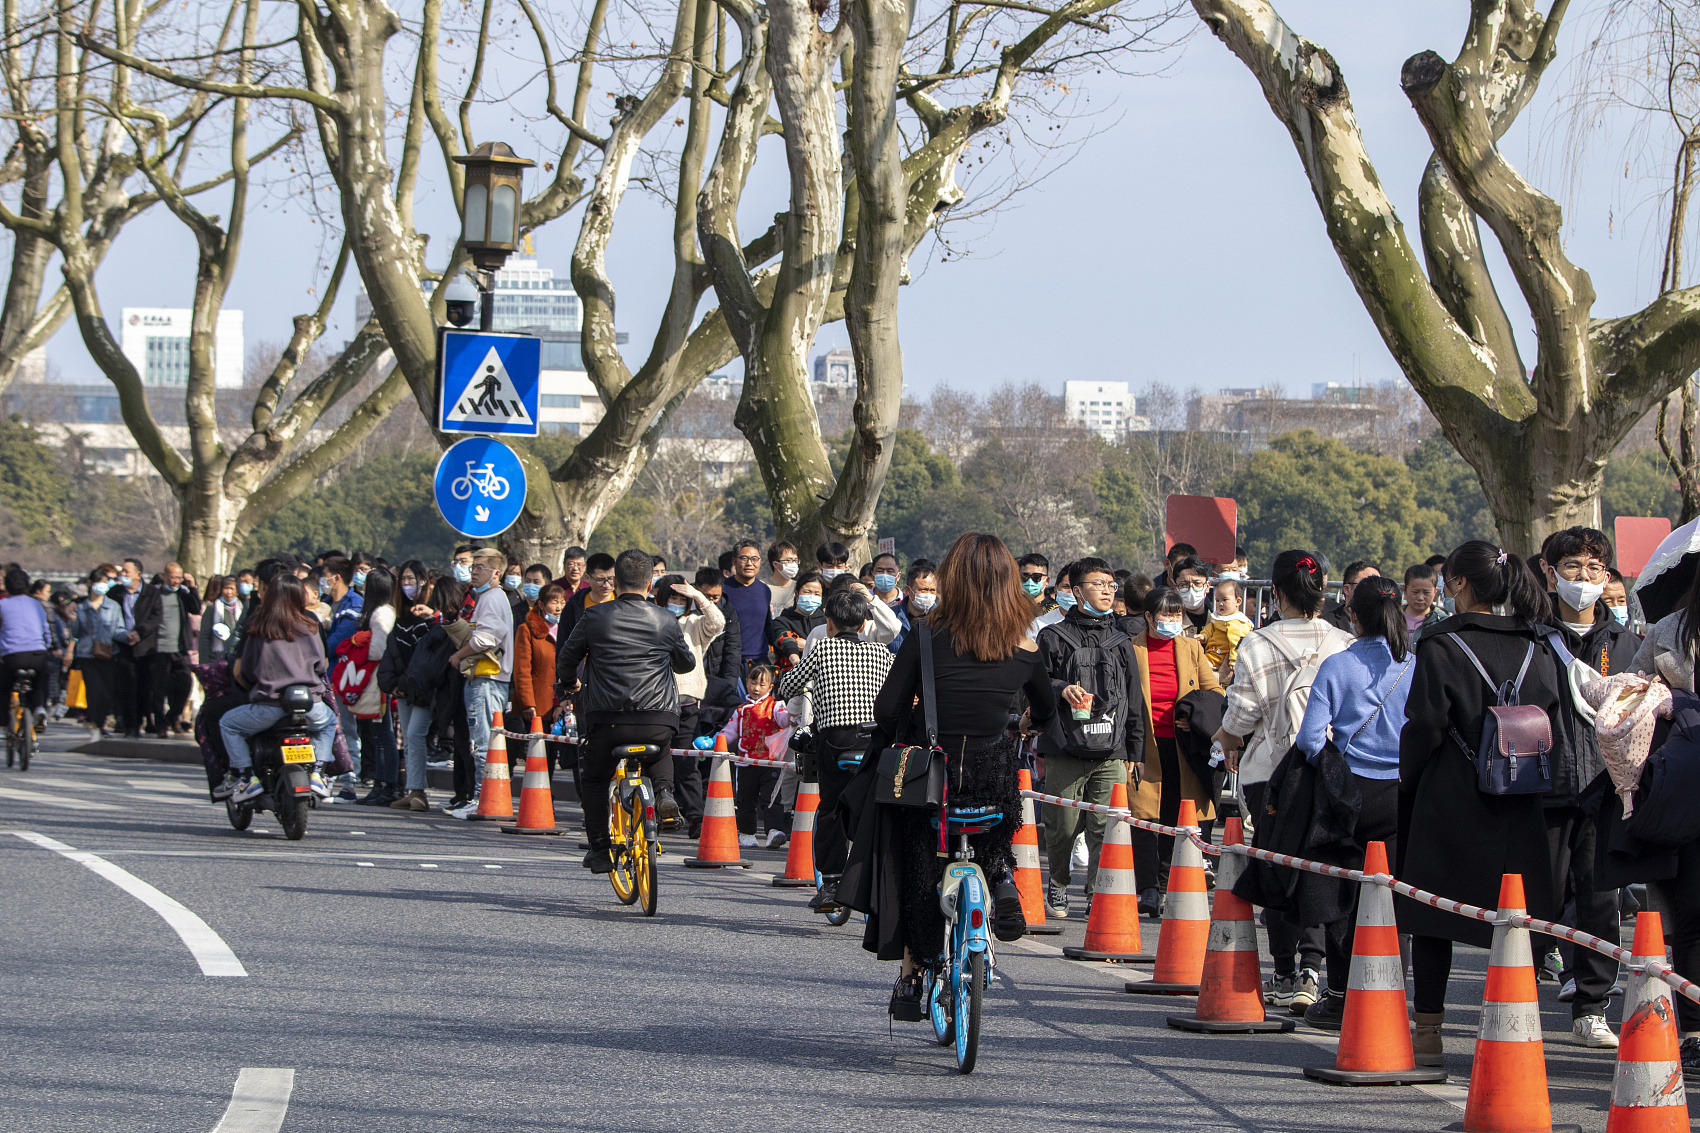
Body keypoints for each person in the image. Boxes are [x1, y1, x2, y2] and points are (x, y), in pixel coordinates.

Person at [839, 532, 1057, 1021]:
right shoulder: (1024, 644)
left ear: (951, 581)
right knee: (994, 833)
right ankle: (1000, 879)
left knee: (917, 867)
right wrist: (1022, 723)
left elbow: (887, 707)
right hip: (993, 774)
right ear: (1008, 583)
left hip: (930, 778)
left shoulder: (926, 637)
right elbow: (1044, 710)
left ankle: (912, 977)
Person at [1397, 540, 1598, 1061]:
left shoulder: (1442, 645)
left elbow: (1424, 725)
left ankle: (1429, 1030)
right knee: (1518, 918)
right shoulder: (1540, 642)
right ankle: (1513, 1028)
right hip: (1523, 793)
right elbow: (1553, 716)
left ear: (1459, 584)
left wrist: (1411, 782)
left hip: (1451, 795)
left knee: (1434, 913)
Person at [1214, 549, 1354, 1014]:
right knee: (1319, 867)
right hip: (1329, 771)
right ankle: (1314, 970)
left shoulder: (1257, 643)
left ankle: (1285, 968)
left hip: (1269, 771)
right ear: (1325, 587)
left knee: (1275, 864)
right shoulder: (1343, 642)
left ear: (1274, 592)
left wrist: (1226, 737)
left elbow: (1243, 712)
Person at [1288, 576, 1413, 1029]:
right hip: (1401, 795)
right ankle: (1390, 997)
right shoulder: (1414, 665)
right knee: (1391, 898)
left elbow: (1307, 740)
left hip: (1348, 794)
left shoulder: (1338, 666)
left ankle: (1339, 996)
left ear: (1353, 615)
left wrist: (1333, 766)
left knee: (1341, 897)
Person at [556, 549, 693, 872]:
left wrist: (568, 683)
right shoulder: (665, 619)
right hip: (658, 718)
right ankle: (663, 793)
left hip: (607, 719)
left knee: (594, 779)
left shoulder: (594, 616)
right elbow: (686, 663)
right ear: (650, 584)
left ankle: (600, 850)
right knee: (660, 753)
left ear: (615, 581)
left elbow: (566, 659)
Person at [1033, 556, 1147, 919]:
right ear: (1077, 591)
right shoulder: (1051, 637)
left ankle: (1097, 890)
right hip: (1065, 747)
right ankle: (1060, 881)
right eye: (1098, 584)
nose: (1107, 591)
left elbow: (1133, 698)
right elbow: (1032, 688)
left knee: (1106, 826)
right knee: (1062, 825)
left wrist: (1135, 749)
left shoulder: (1121, 641)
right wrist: (1061, 688)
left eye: (1111, 585)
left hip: (1111, 750)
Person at [777, 587, 895, 905]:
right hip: (874, 740)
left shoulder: (824, 649)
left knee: (829, 808)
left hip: (836, 740)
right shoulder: (882, 652)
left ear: (829, 622)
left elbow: (790, 683)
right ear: (863, 624)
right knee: (875, 806)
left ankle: (830, 884)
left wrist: (784, 685)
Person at [1127, 587, 1221, 910]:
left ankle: (1163, 885)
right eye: (1166, 614)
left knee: (1171, 816)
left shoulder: (1191, 648)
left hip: (1180, 746)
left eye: (1177, 614)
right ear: (1149, 617)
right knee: (1141, 816)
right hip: (1143, 744)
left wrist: (1194, 717)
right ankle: (1147, 887)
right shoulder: (1131, 648)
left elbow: (1213, 690)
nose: (1172, 621)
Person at [218, 574, 338, 802]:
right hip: (309, 705)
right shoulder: (311, 625)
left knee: (228, 724)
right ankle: (319, 773)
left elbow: (247, 671)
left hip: (270, 706)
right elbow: (322, 666)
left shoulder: (260, 626)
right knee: (329, 723)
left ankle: (246, 777)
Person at [447, 548, 516, 818]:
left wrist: (458, 654)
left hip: (487, 679)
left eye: (481, 567)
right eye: (473, 567)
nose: (474, 571)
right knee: (486, 741)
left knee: (482, 743)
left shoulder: (490, 598)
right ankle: (482, 797)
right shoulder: (491, 597)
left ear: (496, 573)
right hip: (491, 680)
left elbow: (487, 638)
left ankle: (480, 797)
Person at [654, 573, 726, 832]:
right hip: (656, 702)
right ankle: (658, 812)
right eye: (672, 597)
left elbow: (717, 623)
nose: (677, 602)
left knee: (687, 762)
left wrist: (697, 596)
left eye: (681, 599)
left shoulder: (694, 623)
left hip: (687, 702)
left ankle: (696, 816)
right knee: (656, 759)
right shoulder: (653, 620)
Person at [715, 662, 793, 847]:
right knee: (745, 799)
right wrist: (716, 741)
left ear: (771, 687)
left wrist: (793, 715)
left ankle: (774, 831)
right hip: (746, 761)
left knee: (772, 798)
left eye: (762, 684)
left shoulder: (776, 706)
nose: (756, 688)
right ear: (746, 682)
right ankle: (747, 833)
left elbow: (784, 719)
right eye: (753, 682)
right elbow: (730, 731)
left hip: (770, 762)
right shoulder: (740, 710)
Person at [384, 560, 438, 812]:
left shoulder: (431, 614)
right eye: (403, 579)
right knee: (408, 737)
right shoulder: (400, 616)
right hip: (403, 686)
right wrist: (393, 683)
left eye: (411, 579)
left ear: (424, 581)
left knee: (416, 734)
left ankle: (418, 790)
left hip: (426, 687)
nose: (407, 584)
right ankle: (414, 790)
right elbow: (392, 653)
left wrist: (431, 616)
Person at [349, 568, 401, 807]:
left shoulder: (380, 615)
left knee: (383, 735)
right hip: (380, 678)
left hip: (379, 680)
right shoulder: (387, 611)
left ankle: (386, 784)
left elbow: (378, 650)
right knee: (381, 734)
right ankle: (384, 783)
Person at [132, 561, 201, 736]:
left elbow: (196, 608)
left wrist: (192, 588)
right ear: (165, 575)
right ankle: (161, 724)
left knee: (185, 684)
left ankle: (174, 715)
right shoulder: (155, 594)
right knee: (158, 689)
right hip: (159, 649)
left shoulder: (183, 594)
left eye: (179, 577)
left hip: (180, 648)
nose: (176, 581)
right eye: (173, 577)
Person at [72, 567, 125, 737]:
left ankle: (100, 722)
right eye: (98, 583)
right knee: (93, 690)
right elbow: (75, 633)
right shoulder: (81, 607)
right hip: (86, 653)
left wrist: (129, 636)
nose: (102, 586)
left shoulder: (113, 606)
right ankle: (95, 723)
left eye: (104, 583)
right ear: (90, 583)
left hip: (108, 652)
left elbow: (118, 629)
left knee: (106, 691)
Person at [0, 566, 52, 730]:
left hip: (12, 657)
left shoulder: (2, 605)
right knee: (37, 685)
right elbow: (46, 632)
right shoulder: (36, 605)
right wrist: (46, 647)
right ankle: (39, 708)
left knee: (3, 689)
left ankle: (3, 724)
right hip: (38, 654)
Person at [724, 540, 773, 672]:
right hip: (730, 661)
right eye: (744, 559)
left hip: (760, 661)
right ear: (734, 561)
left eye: (754, 559)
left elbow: (767, 626)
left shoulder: (764, 590)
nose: (749, 563)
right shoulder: (723, 589)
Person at [1201, 577, 1254, 679]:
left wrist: (1234, 660)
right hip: (1211, 655)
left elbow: (1237, 643)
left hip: (1222, 659)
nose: (1220, 603)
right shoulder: (1219, 618)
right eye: (1217, 600)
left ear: (1238, 601)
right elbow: (1210, 628)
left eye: (1225, 600)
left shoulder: (1237, 622)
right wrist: (1203, 636)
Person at [888, 559, 937, 654]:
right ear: (908, 590)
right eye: (923, 590)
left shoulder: (940, 620)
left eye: (932, 590)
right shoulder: (891, 616)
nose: (928, 594)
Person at [562, 552, 616, 639]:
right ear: (587, 578)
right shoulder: (574, 605)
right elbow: (564, 640)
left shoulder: (623, 602)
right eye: (600, 580)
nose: (607, 585)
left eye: (611, 579)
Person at [770, 571, 826, 647]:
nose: (811, 597)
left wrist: (807, 645)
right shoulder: (783, 622)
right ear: (796, 593)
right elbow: (785, 643)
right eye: (807, 592)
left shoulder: (826, 623)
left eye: (817, 594)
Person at [1321, 560, 1380, 633]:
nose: (1374, 590)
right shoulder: (1326, 624)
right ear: (1347, 589)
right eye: (1366, 584)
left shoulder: (1383, 624)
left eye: (1379, 585)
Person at [199, 575, 246, 665]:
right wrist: (204, 662)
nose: (229, 592)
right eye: (226, 588)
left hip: (236, 657)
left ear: (237, 591)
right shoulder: (212, 608)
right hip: (216, 657)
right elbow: (204, 636)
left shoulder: (243, 608)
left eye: (232, 588)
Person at [1402, 564, 1447, 643]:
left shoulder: (1442, 622)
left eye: (1426, 592)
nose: (1420, 598)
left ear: (1435, 592)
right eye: (1415, 592)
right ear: (1405, 590)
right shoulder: (1393, 617)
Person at [1170, 556, 1212, 635]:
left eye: (1197, 583)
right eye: (1184, 585)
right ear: (1175, 588)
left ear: (1207, 586)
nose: (1191, 589)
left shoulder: (1218, 622)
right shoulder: (1171, 624)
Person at [767, 541, 800, 618]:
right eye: (788, 560)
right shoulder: (762, 586)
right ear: (775, 564)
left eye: (795, 560)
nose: (793, 564)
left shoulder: (799, 587)